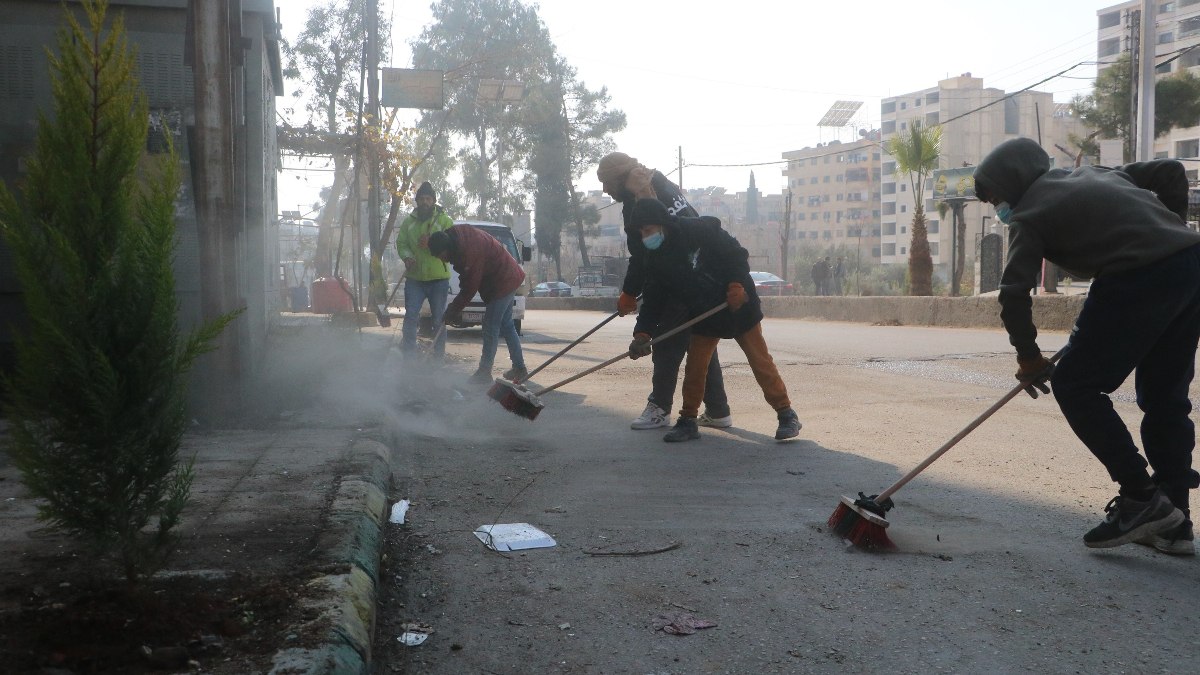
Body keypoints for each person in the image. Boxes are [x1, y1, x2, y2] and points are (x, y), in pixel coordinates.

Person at [974, 137, 1200, 553]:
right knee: (1166, 398)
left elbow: (1012, 292)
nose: (998, 209)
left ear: (1014, 182)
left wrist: (1028, 358)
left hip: (1137, 276)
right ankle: (1175, 523)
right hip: (1190, 265)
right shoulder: (1095, 173)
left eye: (995, 198)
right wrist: (1171, 232)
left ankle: (1142, 498)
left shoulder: (1029, 214)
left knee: (1075, 385)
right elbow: (1170, 172)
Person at [628, 198, 802, 443]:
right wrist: (643, 333)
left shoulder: (698, 230)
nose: (646, 237)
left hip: (737, 303)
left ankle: (786, 414)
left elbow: (736, 255)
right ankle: (688, 420)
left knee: (760, 361)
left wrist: (736, 286)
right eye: (642, 233)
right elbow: (654, 297)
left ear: (662, 224)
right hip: (703, 310)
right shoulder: (656, 258)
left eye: (648, 231)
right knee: (696, 367)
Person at [596, 152, 731, 431]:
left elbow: (644, 254)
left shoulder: (638, 201)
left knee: (667, 344)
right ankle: (718, 410)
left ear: (620, 179)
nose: (605, 190)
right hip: (704, 272)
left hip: (680, 278)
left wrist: (630, 293)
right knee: (700, 343)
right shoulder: (660, 181)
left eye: (607, 183)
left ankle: (659, 407)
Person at [427, 225, 527, 385]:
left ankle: (484, 372)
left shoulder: (469, 250)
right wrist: (454, 310)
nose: (442, 259)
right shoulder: (457, 239)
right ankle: (519, 368)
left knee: (490, 326)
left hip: (503, 281)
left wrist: (453, 310)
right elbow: (468, 278)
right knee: (507, 325)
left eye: (441, 255)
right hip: (508, 276)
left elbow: (470, 287)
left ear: (447, 248)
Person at [395, 181, 454, 358]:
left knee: (438, 320)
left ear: (434, 201)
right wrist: (407, 257)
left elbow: (452, 244)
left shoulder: (444, 220)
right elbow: (402, 243)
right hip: (415, 279)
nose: (425, 202)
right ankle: (409, 356)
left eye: (428, 199)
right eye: (422, 199)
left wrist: (431, 243)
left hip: (439, 279)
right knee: (411, 316)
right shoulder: (408, 222)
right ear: (417, 201)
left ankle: (438, 357)